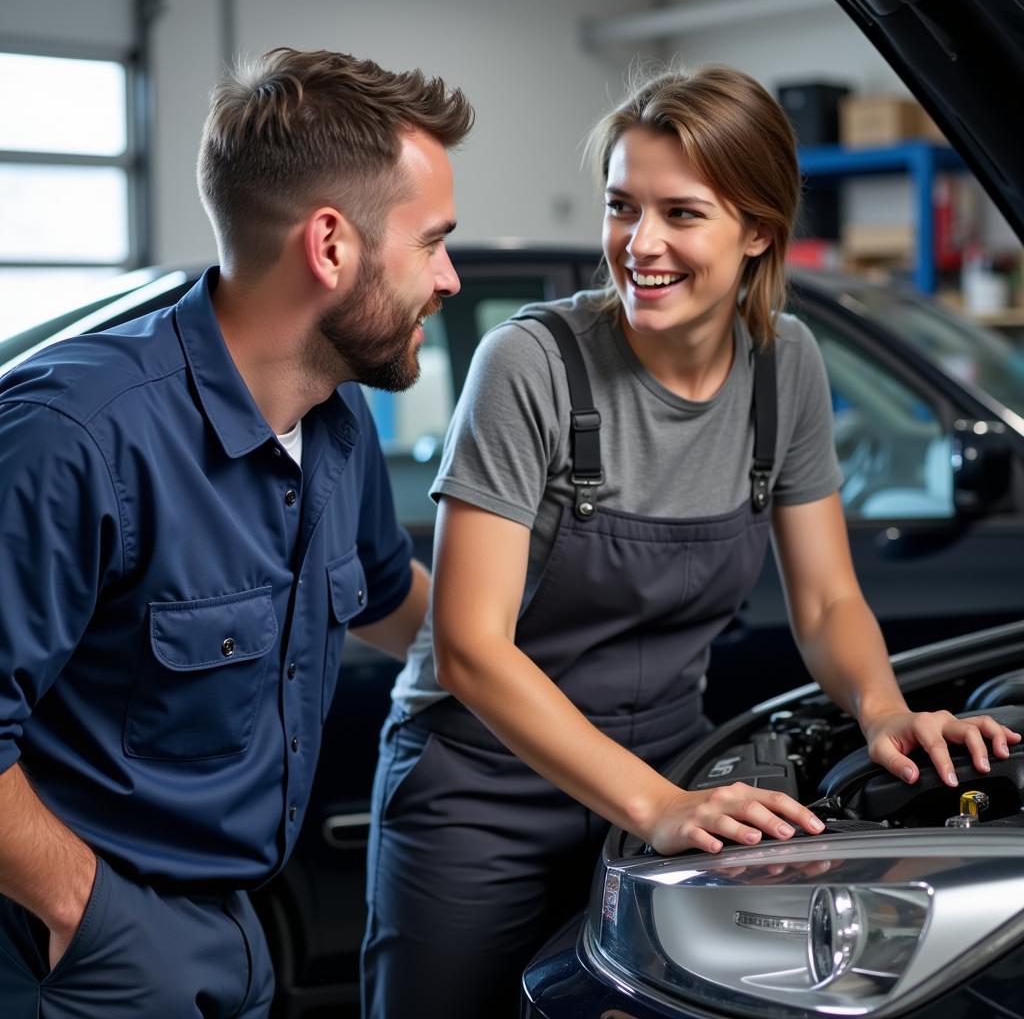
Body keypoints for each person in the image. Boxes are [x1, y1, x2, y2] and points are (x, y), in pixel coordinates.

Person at [361, 64, 1020, 1019]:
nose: (641, 244)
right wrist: (656, 808)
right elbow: (468, 646)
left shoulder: (784, 366)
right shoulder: (531, 365)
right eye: (623, 207)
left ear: (758, 230)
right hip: (481, 795)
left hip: (676, 769)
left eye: (682, 213)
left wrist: (883, 713)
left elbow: (830, 599)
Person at [0, 47, 472, 1017]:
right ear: (330, 245)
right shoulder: (75, 438)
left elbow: (392, 602)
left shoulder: (335, 428)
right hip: (76, 954)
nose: (451, 278)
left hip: (238, 928)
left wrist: (557, 673)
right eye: (430, 242)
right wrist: (88, 914)